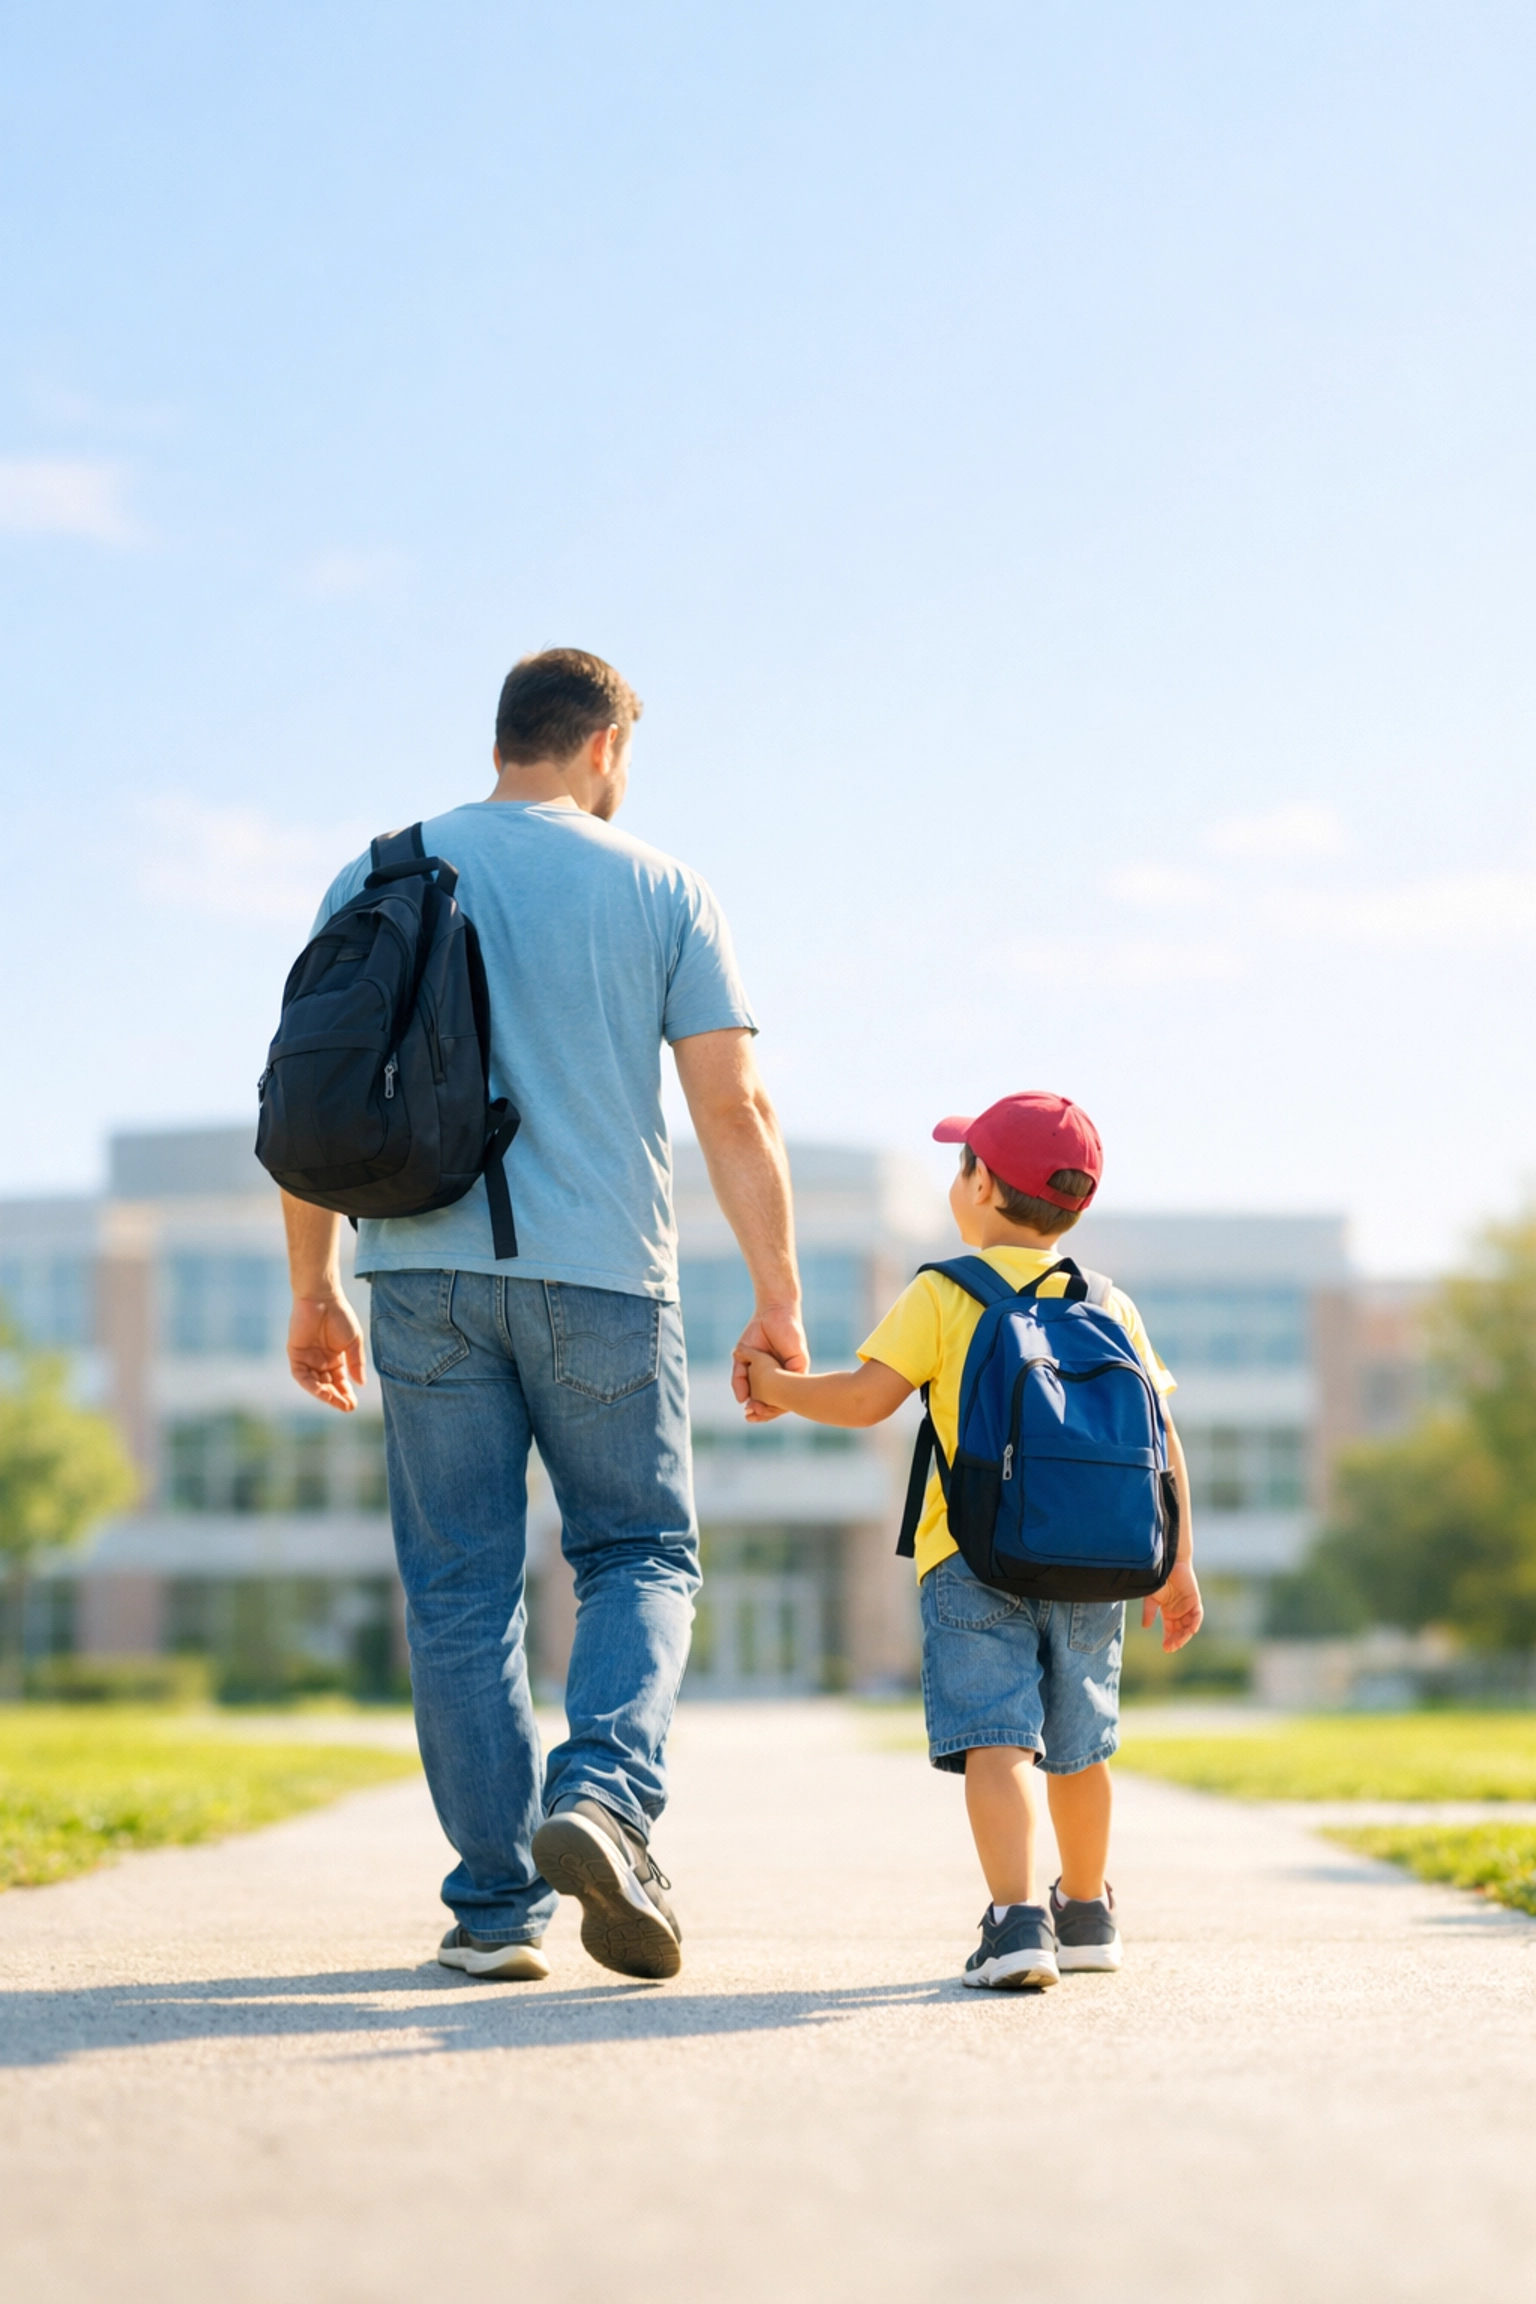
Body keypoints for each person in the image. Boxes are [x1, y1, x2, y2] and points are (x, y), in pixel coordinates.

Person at [279, 647, 806, 1984]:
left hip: (419, 1276)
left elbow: (309, 1097)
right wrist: (778, 1298)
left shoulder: (381, 870)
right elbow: (733, 1107)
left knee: (459, 1588)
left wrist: (314, 1287)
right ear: (605, 745)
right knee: (638, 1552)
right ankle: (607, 1798)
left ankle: (495, 1911)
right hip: (605, 1278)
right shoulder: (663, 887)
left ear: (506, 738)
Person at [737, 1091, 1203, 1990]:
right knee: (1082, 1745)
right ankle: (1088, 1911)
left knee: (999, 1741)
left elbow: (865, 1400)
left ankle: (1017, 1922)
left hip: (970, 1557)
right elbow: (1161, 1441)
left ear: (982, 1185)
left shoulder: (945, 1292)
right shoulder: (1109, 1302)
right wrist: (1175, 1561)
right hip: (1096, 1563)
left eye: (961, 1166)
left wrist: (774, 1386)